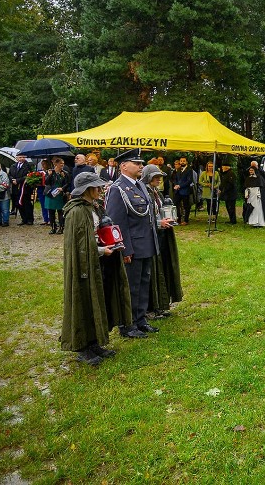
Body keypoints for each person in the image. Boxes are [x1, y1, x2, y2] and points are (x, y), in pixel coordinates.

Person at [60, 172, 132, 366]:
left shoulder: (94, 207)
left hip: (97, 261)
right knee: (83, 300)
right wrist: (101, 250)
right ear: (86, 189)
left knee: (97, 299)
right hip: (84, 265)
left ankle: (94, 343)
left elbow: (98, 233)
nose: (100, 190)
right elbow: (79, 245)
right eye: (97, 187)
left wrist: (111, 243)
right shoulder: (76, 212)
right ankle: (82, 346)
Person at [105, 148, 160, 339]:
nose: (141, 166)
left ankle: (140, 319)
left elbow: (148, 215)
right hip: (132, 247)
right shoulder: (117, 189)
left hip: (145, 243)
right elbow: (116, 222)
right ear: (123, 166)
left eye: (141, 163)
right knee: (131, 286)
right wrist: (125, 248)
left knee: (143, 283)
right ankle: (127, 324)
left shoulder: (140, 186)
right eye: (137, 163)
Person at [140, 164, 183, 318]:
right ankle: (151, 308)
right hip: (151, 237)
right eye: (155, 176)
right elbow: (144, 218)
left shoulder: (156, 192)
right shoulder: (144, 192)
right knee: (152, 272)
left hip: (161, 235)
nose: (159, 179)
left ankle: (160, 305)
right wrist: (159, 224)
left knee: (162, 269)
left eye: (160, 176)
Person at [44, 157, 70, 234]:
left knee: (60, 212)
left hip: (60, 194)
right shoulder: (50, 172)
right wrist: (49, 175)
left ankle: (61, 228)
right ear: (55, 164)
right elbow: (46, 182)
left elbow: (68, 183)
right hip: (50, 194)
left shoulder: (65, 173)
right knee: (51, 212)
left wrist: (62, 188)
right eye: (60, 163)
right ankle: (53, 227)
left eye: (63, 163)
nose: (62, 165)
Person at [8, 154, 33, 225]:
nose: (22, 158)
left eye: (23, 157)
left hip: (25, 188)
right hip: (16, 188)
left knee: (26, 204)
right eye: (20, 157)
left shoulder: (27, 166)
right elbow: (9, 174)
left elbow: (28, 176)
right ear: (16, 158)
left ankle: (29, 219)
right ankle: (23, 219)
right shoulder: (13, 166)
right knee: (19, 204)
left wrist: (18, 180)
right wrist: (12, 180)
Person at [172, 156, 194, 225]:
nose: (182, 162)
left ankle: (186, 220)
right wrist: (175, 185)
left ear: (186, 162)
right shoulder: (178, 169)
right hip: (177, 191)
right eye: (181, 161)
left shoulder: (189, 170)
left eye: (184, 161)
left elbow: (189, 180)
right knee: (176, 205)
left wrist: (180, 186)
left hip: (185, 191)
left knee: (186, 206)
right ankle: (178, 219)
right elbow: (175, 179)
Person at [36, 159, 50, 225]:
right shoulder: (39, 172)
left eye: (44, 164)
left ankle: (50, 219)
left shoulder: (50, 171)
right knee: (43, 204)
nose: (43, 165)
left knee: (48, 204)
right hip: (41, 189)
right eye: (42, 164)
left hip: (48, 189)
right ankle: (45, 219)